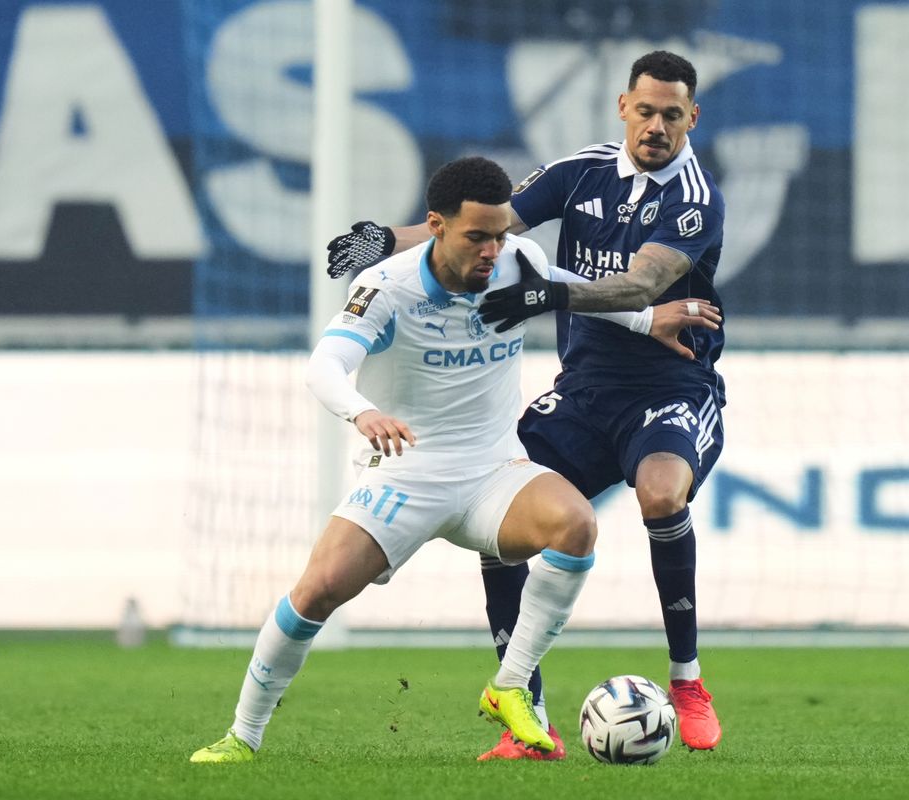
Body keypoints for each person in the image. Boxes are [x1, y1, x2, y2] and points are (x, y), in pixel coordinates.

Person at [191, 156, 720, 763]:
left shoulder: (517, 264)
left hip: (494, 471)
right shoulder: (387, 286)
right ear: (436, 226)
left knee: (576, 527)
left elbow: (569, 287)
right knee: (316, 594)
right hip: (409, 472)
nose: (494, 251)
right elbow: (324, 365)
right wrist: (363, 413)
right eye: (477, 237)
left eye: (500, 235)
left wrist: (649, 317)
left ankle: (509, 688)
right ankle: (243, 736)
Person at [326, 50, 726, 757]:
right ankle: (525, 709)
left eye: (672, 114)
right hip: (581, 392)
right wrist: (385, 239)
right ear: (622, 107)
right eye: (645, 110)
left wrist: (546, 293)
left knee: (662, 496)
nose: (656, 125)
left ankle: (688, 680)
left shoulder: (696, 200)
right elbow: (481, 223)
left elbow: (638, 287)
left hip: (670, 390)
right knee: (500, 503)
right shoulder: (581, 171)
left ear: (692, 118)